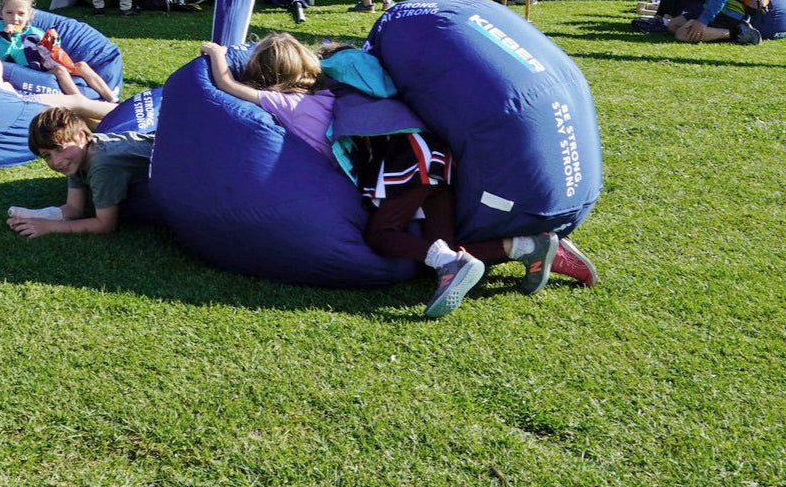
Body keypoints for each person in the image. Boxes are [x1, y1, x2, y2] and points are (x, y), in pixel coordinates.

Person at [201, 35, 585, 315]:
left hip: (403, 161)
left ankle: (453, 265)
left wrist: (217, 53)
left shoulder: (285, 102)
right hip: (433, 154)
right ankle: (528, 245)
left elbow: (226, 85)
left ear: (266, 76)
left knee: (382, 236)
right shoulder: (335, 90)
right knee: (443, 244)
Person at [5, 106, 154, 237]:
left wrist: (49, 227)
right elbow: (74, 209)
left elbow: (106, 225)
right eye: (47, 155)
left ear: (81, 136)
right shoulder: (77, 155)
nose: (56, 161)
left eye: (59, 148)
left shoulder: (102, 164)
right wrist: (35, 217)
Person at [0, 0, 116, 104]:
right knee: (60, 70)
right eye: (9, 13)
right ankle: (81, 101)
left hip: (44, 65)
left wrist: (53, 42)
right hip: (28, 71)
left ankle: (112, 99)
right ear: (1, 13)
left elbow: (53, 51)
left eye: (21, 14)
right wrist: (6, 39)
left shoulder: (34, 31)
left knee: (82, 65)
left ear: (29, 14)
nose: (15, 19)